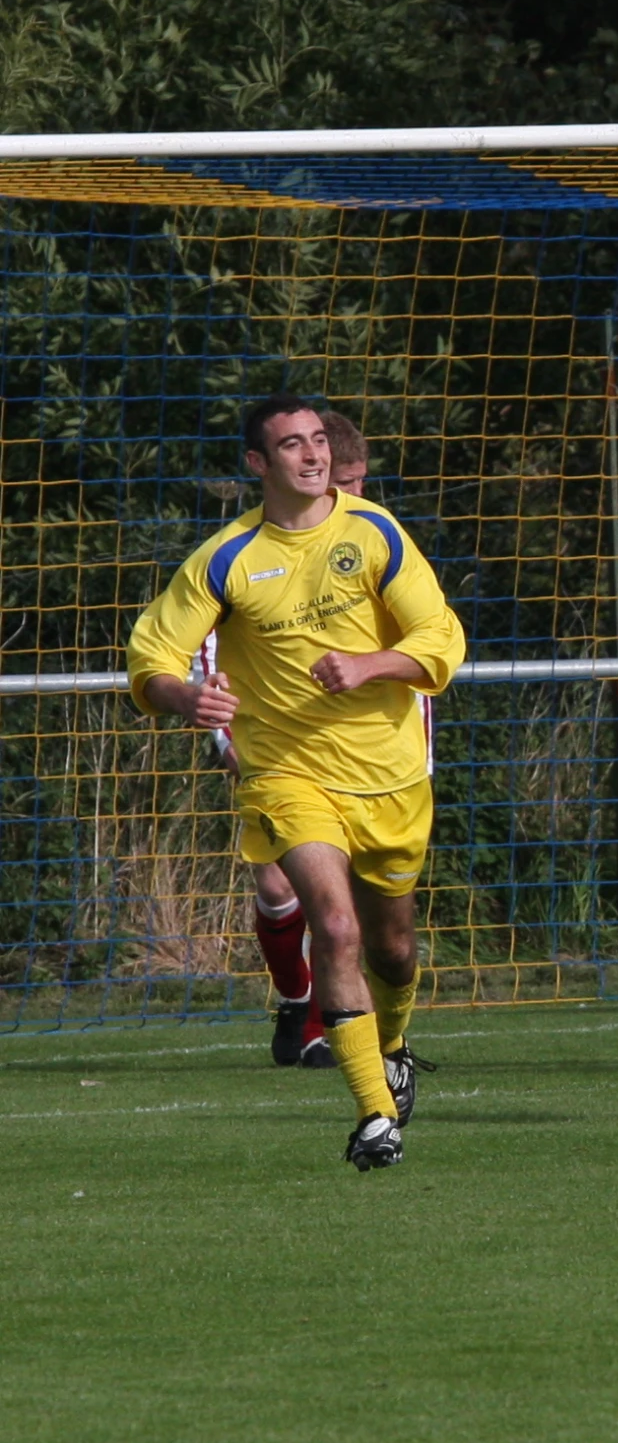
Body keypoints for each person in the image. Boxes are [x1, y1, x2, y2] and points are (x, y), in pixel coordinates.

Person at [128, 393, 465, 1170]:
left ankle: (397, 1044)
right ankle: (375, 1116)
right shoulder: (225, 557)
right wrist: (184, 694)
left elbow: (440, 638)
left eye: (319, 441)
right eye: (292, 445)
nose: (313, 456)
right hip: (286, 772)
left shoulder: (374, 530)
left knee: (395, 947)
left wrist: (371, 663)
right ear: (258, 463)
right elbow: (151, 658)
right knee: (336, 928)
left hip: (388, 772)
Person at [200, 409, 376, 1070]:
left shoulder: (373, 542)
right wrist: (223, 730)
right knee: (278, 888)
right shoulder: (244, 551)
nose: (350, 494)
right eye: (344, 479)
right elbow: (204, 643)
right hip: (266, 740)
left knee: (342, 899)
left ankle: (318, 1024)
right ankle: (294, 997)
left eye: (357, 480)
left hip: (353, 748)